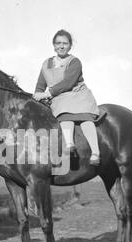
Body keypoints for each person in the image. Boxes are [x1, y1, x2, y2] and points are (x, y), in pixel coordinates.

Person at [33, 29, 101, 166]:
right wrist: (37, 96)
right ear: (53, 45)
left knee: (84, 118)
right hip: (59, 97)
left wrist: (47, 94)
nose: (61, 46)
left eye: (65, 43)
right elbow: (40, 85)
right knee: (63, 112)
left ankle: (95, 152)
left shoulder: (74, 62)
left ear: (70, 45)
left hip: (78, 95)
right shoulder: (47, 64)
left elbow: (68, 83)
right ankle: (70, 145)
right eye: (58, 43)